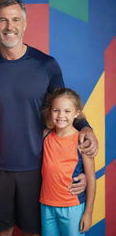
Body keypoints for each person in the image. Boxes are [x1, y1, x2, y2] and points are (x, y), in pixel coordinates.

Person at [0, 0, 98, 236]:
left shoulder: (46, 64)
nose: (9, 26)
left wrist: (86, 127)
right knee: (1, 231)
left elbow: (64, 105)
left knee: (35, 231)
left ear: (25, 24)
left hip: (38, 166)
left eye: (15, 20)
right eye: (3, 20)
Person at [40, 88, 96, 236]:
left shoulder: (82, 140)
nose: (61, 116)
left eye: (67, 111)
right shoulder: (45, 136)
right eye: (56, 110)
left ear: (77, 113)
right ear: (50, 111)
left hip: (72, 206)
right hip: (46, 205)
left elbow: (90, 177)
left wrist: (88, 213)